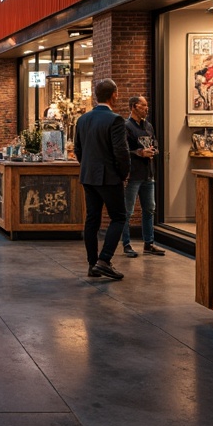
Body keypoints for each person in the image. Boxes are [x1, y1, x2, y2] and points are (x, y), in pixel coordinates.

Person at [74, 78, 130, 280]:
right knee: (119, 217)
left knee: (92, 219)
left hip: (88, 176)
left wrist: (87, 167)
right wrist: (123, 174)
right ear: (114, 94)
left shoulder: (82, 120)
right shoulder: (115, 120)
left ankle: (92, 264)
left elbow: (78, 149)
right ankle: (104, 260)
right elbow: (121, 153)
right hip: (109, 177)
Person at [121, 96, 165, 257]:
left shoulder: (148, 126)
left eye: (147, 105)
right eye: (143, 105)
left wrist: (154, 151)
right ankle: (126, 244)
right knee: (128, 211)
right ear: (133, 107)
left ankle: (149, 243)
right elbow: (124, 151)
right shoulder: (126, 126)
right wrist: (140, 152)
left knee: (149, 209)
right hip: (133, 174)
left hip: (148, 174)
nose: (146, 108)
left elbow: (155, 143)